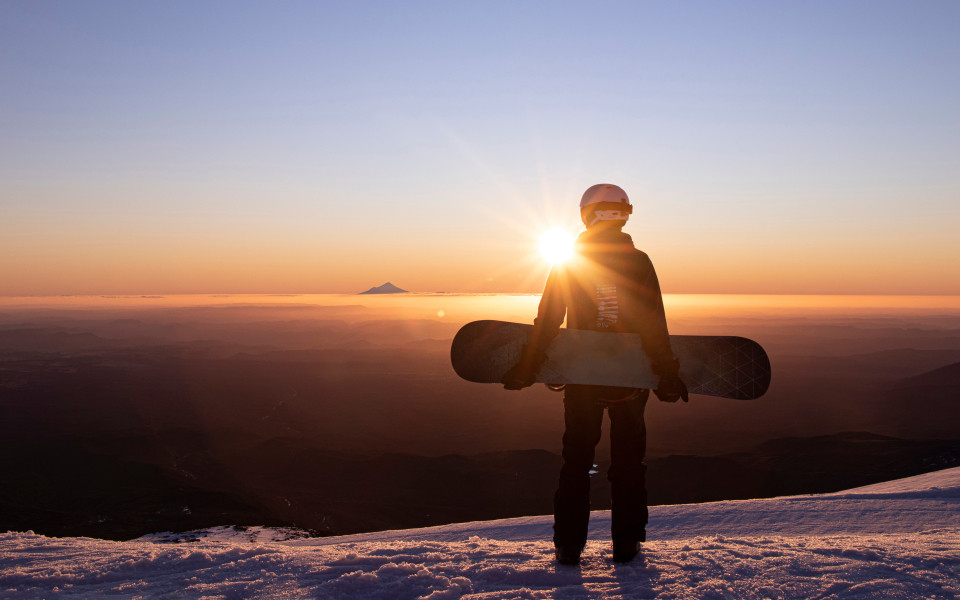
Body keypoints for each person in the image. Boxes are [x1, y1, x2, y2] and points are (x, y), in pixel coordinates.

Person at [501, 183, 687, 566]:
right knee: (629, 463)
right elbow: (653, 323)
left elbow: (549, 319)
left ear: (586, 214)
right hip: (631, 383)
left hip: (584, 382)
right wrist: (665, 372)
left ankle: (569, 547)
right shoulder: (640, 262)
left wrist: (528, 365)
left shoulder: (568, 261)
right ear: (624, 214)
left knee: (576, 462)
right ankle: (626, 544)